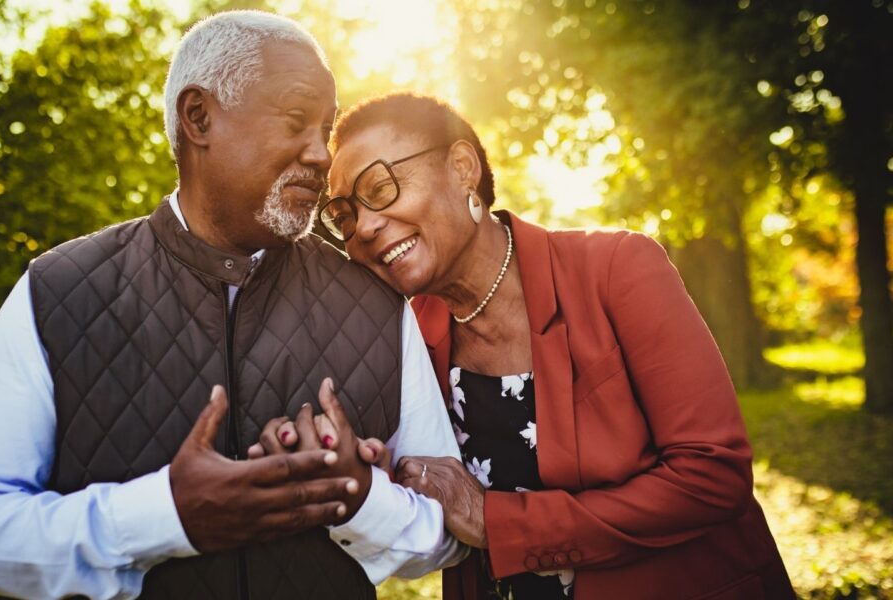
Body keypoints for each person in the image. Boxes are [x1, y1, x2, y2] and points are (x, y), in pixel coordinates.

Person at [0, 14, 466, 599]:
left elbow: (450, 536)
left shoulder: (377, 306)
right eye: (295, 121)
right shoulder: (58, 290)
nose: (319, 155)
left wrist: (360, 498)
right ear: (199, 117)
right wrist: (166, 515)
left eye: (325, 130)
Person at [314, 92, 795, 599]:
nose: (363, 228)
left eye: (380, 187)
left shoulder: (618, 269)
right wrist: (367, 477)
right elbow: (422, 506)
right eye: (345, 215)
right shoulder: (406, 336)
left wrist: (497, 522)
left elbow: (712, 474)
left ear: (462, 168)